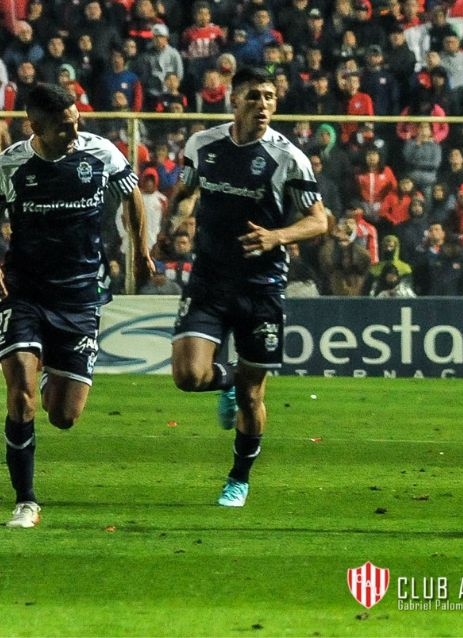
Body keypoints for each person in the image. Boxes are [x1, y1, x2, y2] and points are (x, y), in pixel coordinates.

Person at [167, 67, 328, 508]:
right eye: (254, 96)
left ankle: (238, 479)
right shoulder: (202, 144)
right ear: (233, 100)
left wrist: (278, 236)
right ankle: (225, 379)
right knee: (187, 376)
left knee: (252, 395)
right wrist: (174, 222)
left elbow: (319, 220)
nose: (263, 104)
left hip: (261, 287)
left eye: (270, 97)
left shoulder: (288, 157)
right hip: (209, 279)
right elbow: (186, 191)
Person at [0, 82, 153, 528]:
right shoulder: (11, 165)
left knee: (64, 416)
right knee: (21, 394)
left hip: (81, 296)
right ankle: (26, 500)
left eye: (76, 122)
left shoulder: (100, 153)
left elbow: (132, 194)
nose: (74, 132)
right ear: (36, 127)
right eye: (64, 127)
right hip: (25, 294)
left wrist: (140, 249)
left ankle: (52, 369)